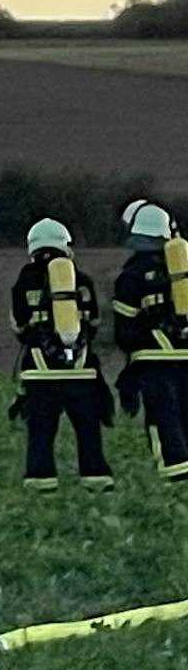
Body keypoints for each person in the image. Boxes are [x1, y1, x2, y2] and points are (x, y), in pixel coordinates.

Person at [9, 218, 112, 491]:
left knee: (41, 434)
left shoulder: (23, 284)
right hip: (83, 372)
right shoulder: (83, 281)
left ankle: (41, 483)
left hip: (39, 374)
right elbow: (93, 325)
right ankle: (97, 481)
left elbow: (19, 327)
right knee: (89, 433)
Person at [112, 202, 188, 484]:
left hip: (155, 362)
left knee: (163, 421)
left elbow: (124, 332)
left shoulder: (131, 276)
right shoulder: (183, 272)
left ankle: (176, 481)